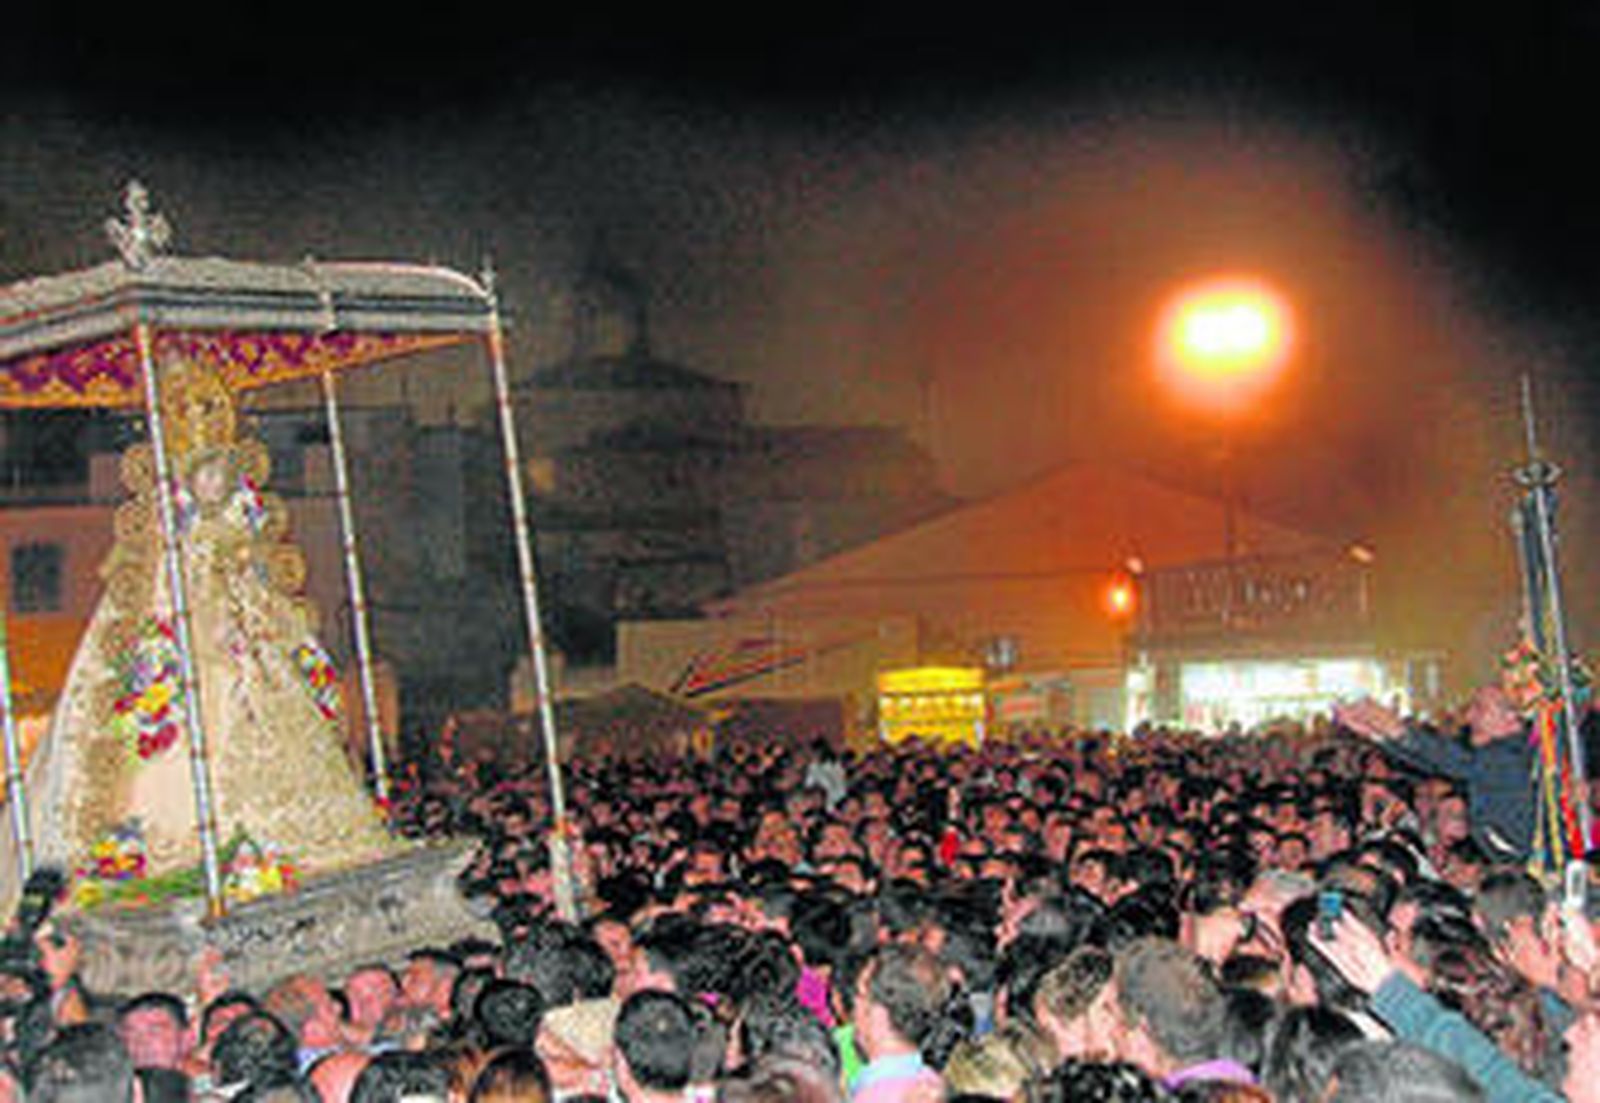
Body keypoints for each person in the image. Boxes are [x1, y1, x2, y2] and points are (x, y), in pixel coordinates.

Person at [11, 357, 393, 912]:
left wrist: (256, 617)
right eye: (205, 474)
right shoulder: (175, 519)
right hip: (188, 637)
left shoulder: (241, 511)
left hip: (245, 637)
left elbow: (259, 574)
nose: (215, 482)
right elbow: (159, 580)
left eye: (221, 472)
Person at [1334, 688, 1537, 859]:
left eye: (1479, 709)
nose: (1468, 717)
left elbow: (1448, 758)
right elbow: (1430, 763)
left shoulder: (1512, 754)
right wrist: (1375, 733)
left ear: (1512, 717)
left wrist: (1394, 727)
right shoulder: (1497, 751)